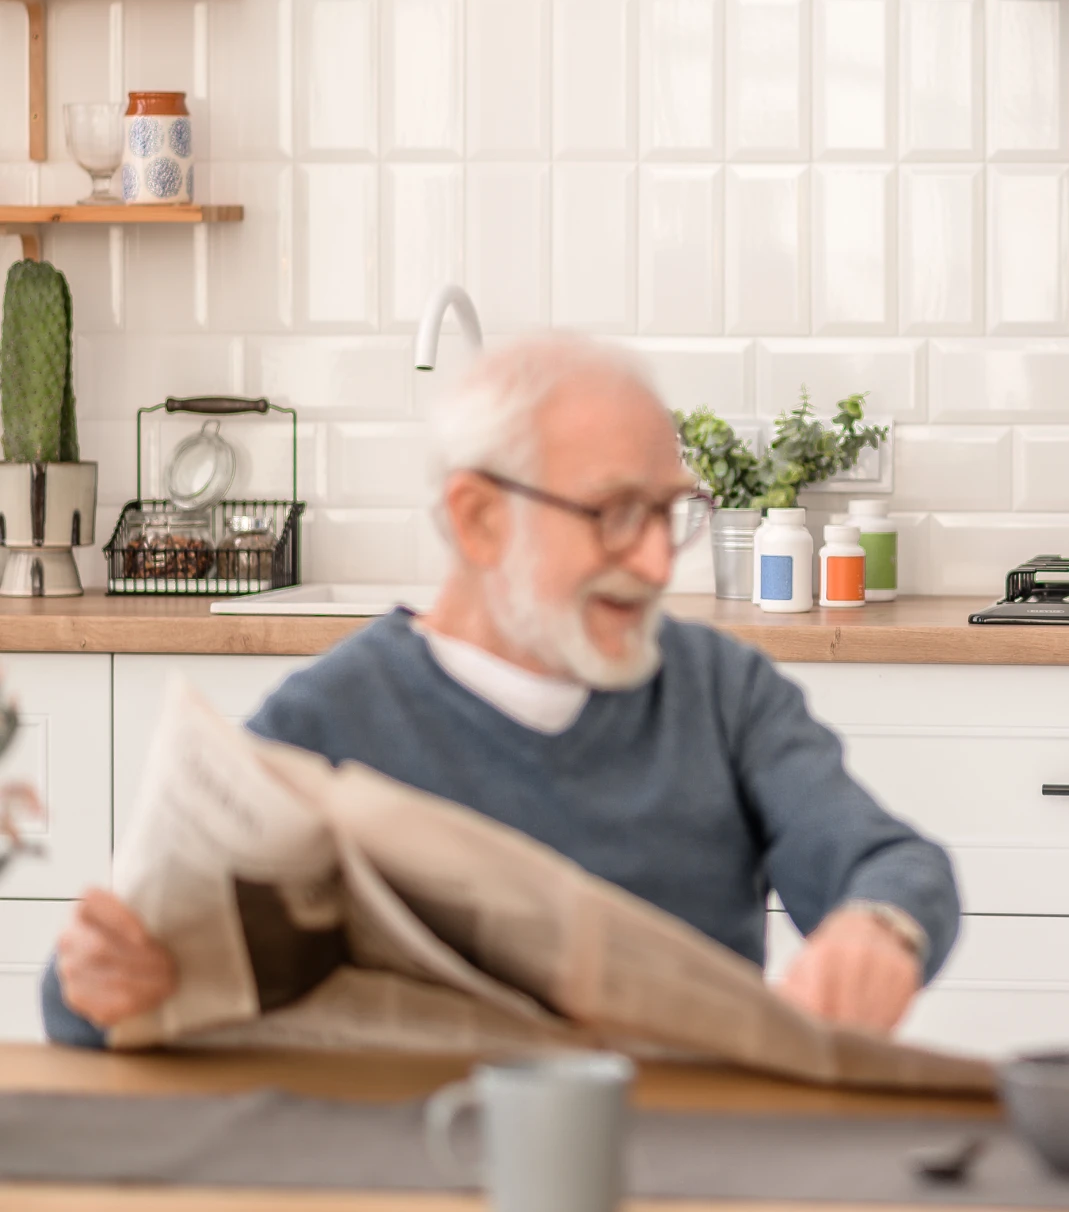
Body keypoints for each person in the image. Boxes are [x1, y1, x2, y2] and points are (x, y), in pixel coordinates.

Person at [44, 333, 958, 1046]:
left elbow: (892, 863)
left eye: (672, 513)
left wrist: (878, 930)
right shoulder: (331, 712)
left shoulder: (722, 691)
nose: (650, 561)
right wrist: (100, 980)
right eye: (612, 513)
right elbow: (96, 985)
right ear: (479, 519)